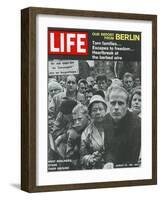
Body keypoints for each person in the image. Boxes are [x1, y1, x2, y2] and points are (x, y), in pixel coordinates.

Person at [103, 86, 141, 168]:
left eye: (120, 103)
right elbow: (108, 148)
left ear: (127, 105)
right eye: (113, 103)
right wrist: (109, 162)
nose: (116, 107)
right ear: (108, 103)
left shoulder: (137, 124)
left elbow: (133, 158)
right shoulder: (106, 119)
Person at [80, 95, 107, 169]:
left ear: (105, 111)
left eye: (100, 109)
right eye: (94, 110)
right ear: (90, 114)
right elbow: (82, 157)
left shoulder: (114, 127)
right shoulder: (86, 133)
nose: (98, 112)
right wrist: (90, 158)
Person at [66, 104, 90, 169]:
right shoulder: (73, 132)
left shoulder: (94, 128)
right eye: (74, 120)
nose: (76, 122)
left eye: (79, 119)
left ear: (87, 116)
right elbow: (69, 156)